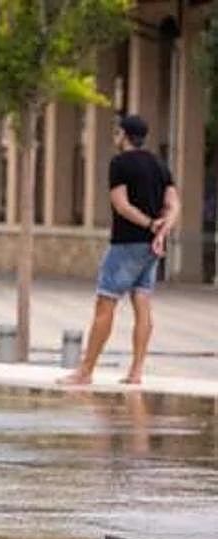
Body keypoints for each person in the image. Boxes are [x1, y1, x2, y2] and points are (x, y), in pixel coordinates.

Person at [60, 114, 179, 387]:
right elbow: (174, 203)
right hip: (151, 248)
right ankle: (136, 372)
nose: (115, 137)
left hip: (126, 244)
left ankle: (85, 371)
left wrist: (151, 225)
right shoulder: (159, 165)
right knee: (143, 304)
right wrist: (163, 229)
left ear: (124, 135)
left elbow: (121, 205)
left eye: (116, 132)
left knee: (105, 304)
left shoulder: (120, 163)